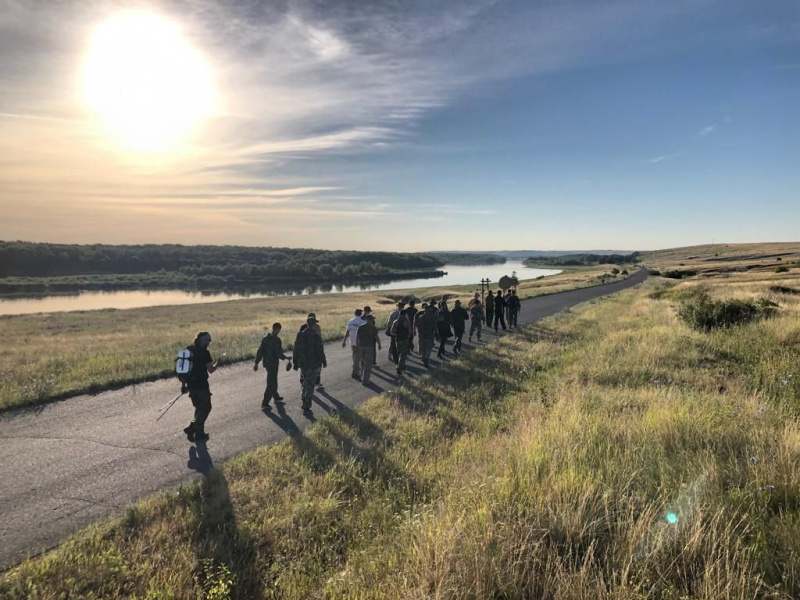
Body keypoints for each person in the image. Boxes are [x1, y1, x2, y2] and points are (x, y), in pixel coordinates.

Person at [183, 331, 221, 443]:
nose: (209, 342)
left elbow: (184, 370)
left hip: (191, 385)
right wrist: (218, 362)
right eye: (208, 340)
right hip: (202, 385)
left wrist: (184, 386)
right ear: (203, 341)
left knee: (199, 408)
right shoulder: (205, 353)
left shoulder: (189, 351)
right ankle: (192, 428)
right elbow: (211, 370)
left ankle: (199, 434)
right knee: (206, 408)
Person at [293, 314, 327, 413]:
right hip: (312, 364)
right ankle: (307, 406)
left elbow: (296, 349)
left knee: (304, 383)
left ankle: (303, 399)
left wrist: (295, 362)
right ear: (313, 325)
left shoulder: (300, 335)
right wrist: (323, 361)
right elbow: (320, 350)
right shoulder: (316, 336)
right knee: (310, 384)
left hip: (303, 363)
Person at [254, 323, 289, 409]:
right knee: (271, 383)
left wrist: (256, 363)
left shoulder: (265, 339)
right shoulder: (276, 340)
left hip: (266, 363)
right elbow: (278, 354)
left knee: (273, 380)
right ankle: (265, 403)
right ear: (277, 329)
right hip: (273, 364)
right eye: (279, 330)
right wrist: (286, 357)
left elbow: (260, 352)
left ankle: (276, 396)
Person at [356, 314, 381, 384]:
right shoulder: (373, 328)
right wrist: (379, 344)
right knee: (368, 364)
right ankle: (365, 379)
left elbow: (357, 337)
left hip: (361, 347)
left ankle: (362, 376)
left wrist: (357, 345)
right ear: (371, 320)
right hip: (369, 347)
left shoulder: (360, 327)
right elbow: (376, 337)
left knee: (362, 362)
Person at [342, 308, 365, 380]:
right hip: (360, 342)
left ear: (355, 313)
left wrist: (344, 341)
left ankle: (355, 368)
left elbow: (347, 332)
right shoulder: (363, 322)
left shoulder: (350, 321)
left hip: (352, 341)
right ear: (361, 314)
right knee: (358, 357)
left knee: (354, 355)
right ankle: (355, 371)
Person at [390, 309, 412, 375]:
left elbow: (391, 331)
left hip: (398, 339)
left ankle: (403, 366)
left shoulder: (396, 322)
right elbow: (410, 331)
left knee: (400, 353)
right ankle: (399, 367)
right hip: (404, 339)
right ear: (405, 314)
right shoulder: (407, 322)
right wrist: (408, 337)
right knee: (403, 354)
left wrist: (396, 335)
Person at [415, 302, 437, 367]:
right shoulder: (431, 318)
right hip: (430, 335)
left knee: (424, 347)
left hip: (422, 335)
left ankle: (424, 357)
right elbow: (434, 327)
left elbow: (418, 327)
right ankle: (426, 358)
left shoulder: (421, 317)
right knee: (429, 348)